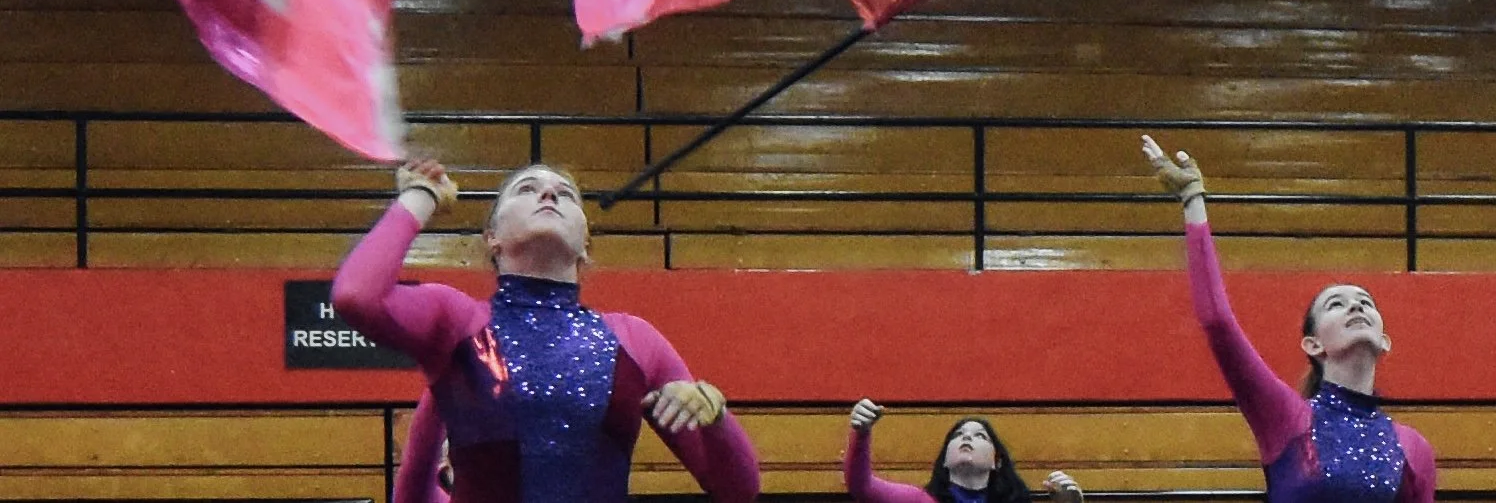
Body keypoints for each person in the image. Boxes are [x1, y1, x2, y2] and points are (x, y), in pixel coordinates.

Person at [335, 157, 761, 503]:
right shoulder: (458, 321)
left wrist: (717, 418)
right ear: (492, 238)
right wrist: (420, 197)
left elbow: (739, 490)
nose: (548, 193)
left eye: (566, 194)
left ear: (585, 243)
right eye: (526, 189)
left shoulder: (635, 341)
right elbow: (356, 296)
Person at [1139, 135, 1435, 503]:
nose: (1356, 307)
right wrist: (1192, 200)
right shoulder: (1287, 418)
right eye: (1336, 305)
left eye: (1365, 302)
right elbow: (1217, 321)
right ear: (1313, 344)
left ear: (1385, 339)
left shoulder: (1413, 448)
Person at [844, 399, 1083, 503]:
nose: (967, 436)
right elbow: (861, 485)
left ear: (996, 461)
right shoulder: (918, 500)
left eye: (980, 436)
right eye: (957, 435)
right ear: (944, 461)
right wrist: (861, 432)